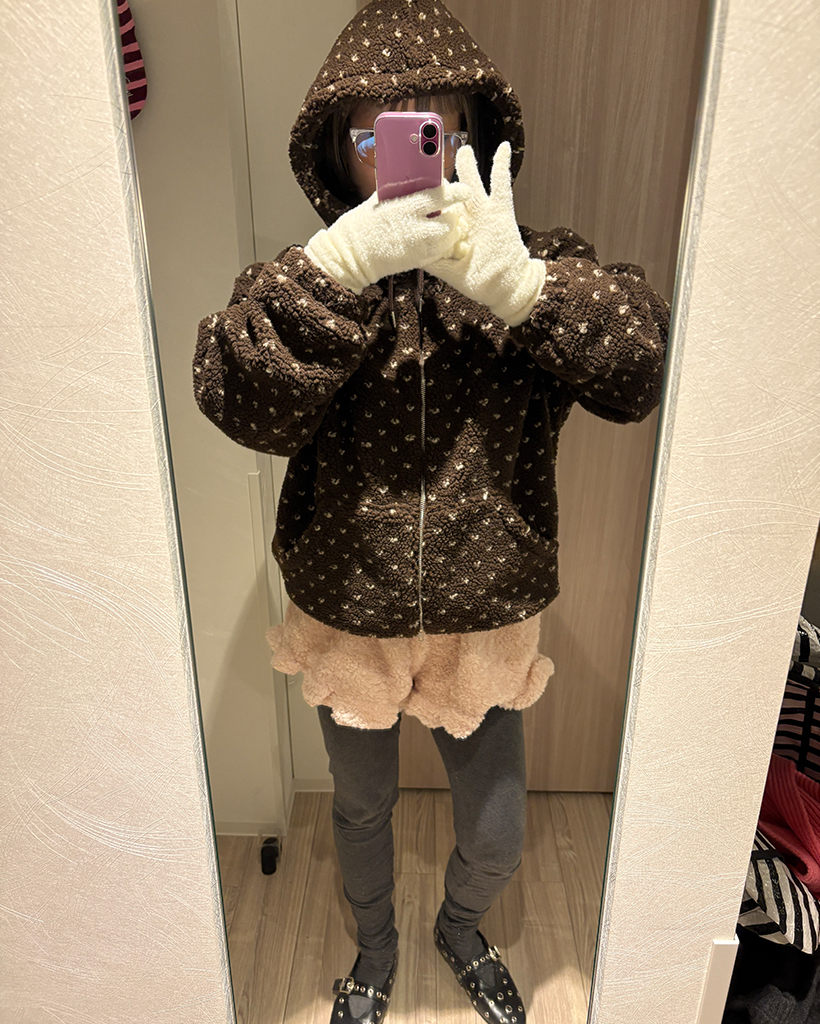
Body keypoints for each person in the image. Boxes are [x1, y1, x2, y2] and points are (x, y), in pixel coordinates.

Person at [193, 1, 670, 1021]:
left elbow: (639, 369)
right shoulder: (309, 283)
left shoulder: (529, 266)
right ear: (336, 151)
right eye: (373, 135)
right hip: (346, 613)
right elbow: (234, 396)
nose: (405, 152)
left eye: (432, 127)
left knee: (497, 831)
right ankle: (374, 952)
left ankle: (460, 926)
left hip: (484, 619)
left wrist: (524, 289)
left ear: (474, 132)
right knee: (361, 809)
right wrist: (334, 275)